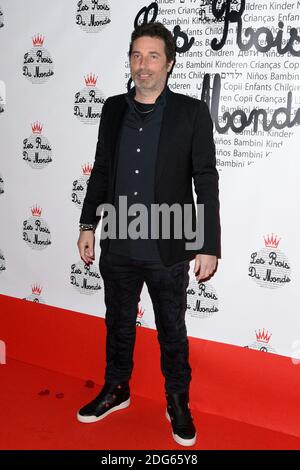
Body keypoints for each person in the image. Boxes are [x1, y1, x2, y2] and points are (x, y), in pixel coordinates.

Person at [76, 22, 220, 447]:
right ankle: (116, 389)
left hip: (169, 242)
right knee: (118, 323)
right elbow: (101, 170)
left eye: (153, 56)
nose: (143, 64)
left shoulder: (191, 113)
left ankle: (177, 401)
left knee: (171, 329)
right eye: (136, 55)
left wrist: (207, 243)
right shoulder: (112, 109)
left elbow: (205, 179)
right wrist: (88, 225)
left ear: (170, 63)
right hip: (118, 239)